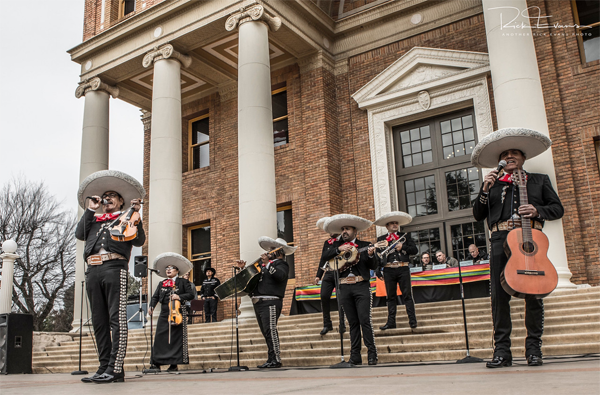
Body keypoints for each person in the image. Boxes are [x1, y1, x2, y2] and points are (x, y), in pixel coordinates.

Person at [471, 127, 564, 368]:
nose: (510, 156)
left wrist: (538, 210)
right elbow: (477, 214)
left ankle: (534, 349)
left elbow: (557, 209)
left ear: (523, 158)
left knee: (534, 294)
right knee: (499, 298)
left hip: (530, 239)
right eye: (505, 154)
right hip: (501, 239)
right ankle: (502, 352)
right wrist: (484, 189)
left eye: (515, 153)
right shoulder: (493, 184)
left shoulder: (538, 180)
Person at [75, 170, 146, 384]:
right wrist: (90, 210)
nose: (107, 199)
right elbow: (80, 234)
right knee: (99, 321)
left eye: (112, 196)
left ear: (120, 201)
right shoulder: (94, 221)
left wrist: (136, 215)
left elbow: (139, 241)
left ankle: (116, 368)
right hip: (93, 270)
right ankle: (103, 366)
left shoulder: (127, 219)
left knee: (117, 319)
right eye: (104, 196)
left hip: (115, 267)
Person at [321, 214, 378, 365]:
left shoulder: (365, 244)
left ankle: (372, 354)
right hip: (344, 286)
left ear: (355, 231)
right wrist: (339, 248)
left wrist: (371, 255)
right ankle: (355, 356)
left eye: (347, 229)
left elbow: (375, 265)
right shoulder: (335, 246)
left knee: (365, 320)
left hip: (361, 286)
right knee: (352, 322)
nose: (344, 232)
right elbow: (324, 256)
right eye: (343, 229)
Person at [236, 237, 296, 368]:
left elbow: (279, 276)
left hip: (271, 302)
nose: (269, 252)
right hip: (259, 302)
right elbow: (251, 281)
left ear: (279, 252)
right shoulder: (264, 266)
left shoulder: (282, 265)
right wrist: (242, 270)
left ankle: (276, 359)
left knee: (270, 330)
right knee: (265, 332)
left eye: (272, 250)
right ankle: (271, 358)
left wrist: (268, 263)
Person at [148, 253, 195, 372]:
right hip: (164, 312)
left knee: (176, 338)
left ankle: (174, 364)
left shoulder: (183, 282)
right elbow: (155, 297)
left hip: (178, 312)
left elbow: (190, 295)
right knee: (160, 337)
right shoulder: (162, 283)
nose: (168, 270)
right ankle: (156, 363)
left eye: (171, 268)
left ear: (177, 271)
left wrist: (178, 296)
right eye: (166, 268)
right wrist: (151, 306)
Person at [373, 211, 418, 330]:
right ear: (387, 226)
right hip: (388, 270)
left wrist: (403, 247)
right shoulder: (381, 239)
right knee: (390, 297)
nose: (394, 225)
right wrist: (378, 269)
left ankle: (412, 320)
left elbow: (414, 250)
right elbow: (378, 256)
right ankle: (391, 322)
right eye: (391, 223)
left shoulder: (405, 236)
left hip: (403, 268)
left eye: (396, 223)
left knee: (407, 295)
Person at [313, 216, 346, 335]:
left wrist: (335, 249)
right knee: (324, 296)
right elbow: (323, 258)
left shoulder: (343, 241)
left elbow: (334, 254)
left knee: (340, 297)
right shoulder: (327, 242)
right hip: (328, 272)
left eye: (332, 229)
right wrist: (318, 275)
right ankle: (327, 324)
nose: (330, 232)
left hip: (340, 272)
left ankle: (342, 323)